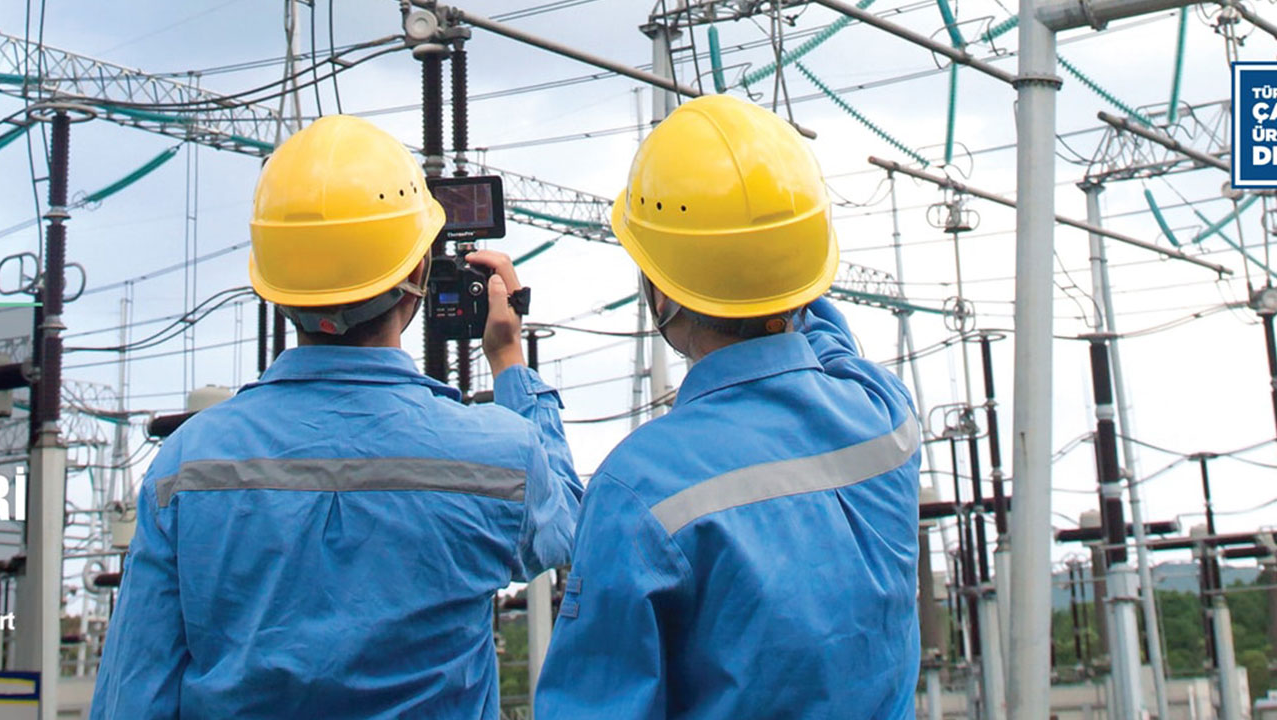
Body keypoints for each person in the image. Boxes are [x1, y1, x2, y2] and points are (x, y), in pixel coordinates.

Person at [91, 115, 582, 719]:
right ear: (419, 272)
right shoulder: (498, 458)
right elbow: (565, 528)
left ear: (275, 286)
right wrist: (509, 359)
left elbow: (134, 694)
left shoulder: (186, 466)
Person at [534, 95, 921, 719]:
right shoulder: (885, 415)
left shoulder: (639, 488)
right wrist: (774, 256)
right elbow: (824, 334)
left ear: (660, 294)